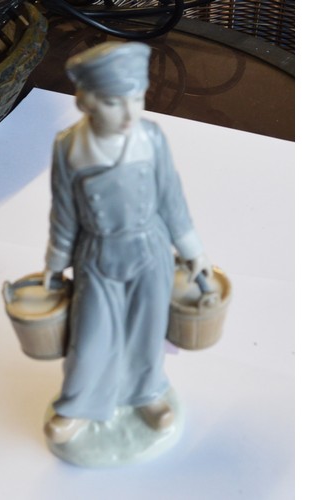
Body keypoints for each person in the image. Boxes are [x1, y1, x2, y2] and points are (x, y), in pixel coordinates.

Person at [43, 42, 212, 444]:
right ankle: (79, 403)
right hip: (97, 254)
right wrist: (56, 261)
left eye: (137, 98)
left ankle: (147, 392)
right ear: (86, 101)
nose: (129, 113)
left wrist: (193, 251)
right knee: (90, 336)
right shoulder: (69, 147)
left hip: (150, 250)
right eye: (113, 102)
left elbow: (171, 198)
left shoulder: (151, 138)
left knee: (146, 330)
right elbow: (63, 211)